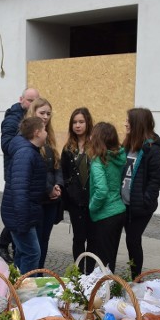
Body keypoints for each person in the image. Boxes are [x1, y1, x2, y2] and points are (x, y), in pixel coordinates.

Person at [0, 87, 40, 262]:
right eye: (29, 100)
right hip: (16, 172)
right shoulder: (12, 119)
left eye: (35, 100)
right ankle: (2, 244)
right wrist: (27, 135)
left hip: (23, 171)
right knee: (17, 212)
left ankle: (6, 245)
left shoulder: (33, 119)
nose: (32, 103)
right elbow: (6, 145)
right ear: (21, 99)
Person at [1, 117, 51, 274]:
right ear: (37, 133)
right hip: (21, 216)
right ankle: (24, 292)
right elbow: (20, 190)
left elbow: (29, 185)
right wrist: (23, 223)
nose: (46, 133)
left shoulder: (29, 151)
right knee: (32, 253)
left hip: (23, 214)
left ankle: (15, 289)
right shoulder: (26, 153)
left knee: (23, 253)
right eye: (44, 130)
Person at [122, 107, 160, 280]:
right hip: (122, 204)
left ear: (137, 124)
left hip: (140, 207)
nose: (125, 123)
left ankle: (136, 279)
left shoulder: (151, 149)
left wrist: (145, 201)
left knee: (133, 240)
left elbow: (157, 179)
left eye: (128, 120)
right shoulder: (126, 145)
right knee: (124, 240)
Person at [26, 97, 63, 268]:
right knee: (34, 245)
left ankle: (39, 275)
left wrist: (58, 186)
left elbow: (57, 165)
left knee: (44, 241)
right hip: (37, 199)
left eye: (48, 113)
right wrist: (49, 189)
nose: (46, 117)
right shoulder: (28, 137)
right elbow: (35, 171)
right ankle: (30, 278)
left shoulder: (49, 136)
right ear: (33, 113)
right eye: (42, 113)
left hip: (50, 200)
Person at [87, 122, 127, 272]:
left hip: (105, 215)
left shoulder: (98, 162)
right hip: (119, 211)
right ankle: (110, 287)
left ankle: (104, 290)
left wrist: (92, 207)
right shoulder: (117, 158)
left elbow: (102, 190)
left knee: (103, 260)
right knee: (111, 258)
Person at [61, 107, 94, 272]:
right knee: (79, 238)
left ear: (87, 123)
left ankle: (91, 273)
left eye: (81, 122)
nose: (78, 125)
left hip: (93, 200)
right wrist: (69, 190)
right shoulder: (68, 148)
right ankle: (80, 272)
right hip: (75, 202)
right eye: (74, 122)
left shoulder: (95, 145)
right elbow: (64, 172)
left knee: (93, 238)